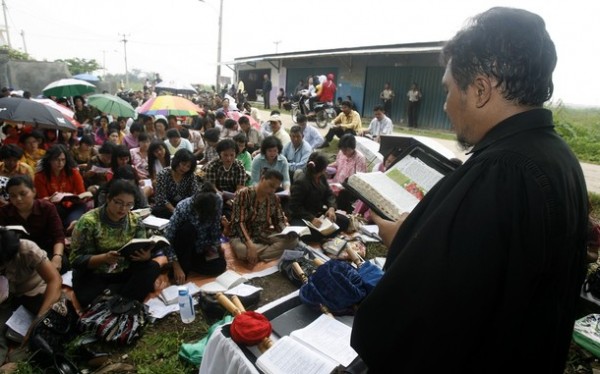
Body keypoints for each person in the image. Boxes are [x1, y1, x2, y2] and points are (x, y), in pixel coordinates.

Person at [351, 8, 589, 373]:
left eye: (447, 89)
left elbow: (430, 312)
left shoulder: (500, 172)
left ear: (479, 90)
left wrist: (403, 239)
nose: (445, 105)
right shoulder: (558, 157)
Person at [69, 180, 162, 308]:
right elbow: (75, 260)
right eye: (118, 203)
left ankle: (114, 298)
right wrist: (103, 258)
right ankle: (121, 299)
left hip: (123, 269)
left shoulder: (135, 220)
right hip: (95, 274)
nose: (123, 209)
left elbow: (141, 247)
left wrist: (145, 256)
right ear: (108, 199)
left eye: (129, 205)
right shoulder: (88, 222)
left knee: (152, 267)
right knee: (87, 296)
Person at [0, 227, 62, 366]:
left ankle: (21, 358)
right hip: (6, 301)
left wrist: (39, 319)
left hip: (35, 292)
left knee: (51, 321)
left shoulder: (27, 249)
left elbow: (54, 280)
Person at [230, 169, 298, 267]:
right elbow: (239, 222)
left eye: (275, 188)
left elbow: (279, 219)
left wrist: (286, 230)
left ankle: (255, 255)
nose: (272, 190)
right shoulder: (243, 194)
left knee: (293, 241)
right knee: (242, 251)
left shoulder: (274, 198)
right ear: (262, 179)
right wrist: (250, 244)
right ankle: (259, 252)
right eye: (271, 185)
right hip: (240, 235)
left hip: (262, 232)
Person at [0, 175, 69, 274]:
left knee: (62, 264)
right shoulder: (4, 212)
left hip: (45, 249)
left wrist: (57, 257)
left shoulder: (47, 208)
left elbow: (58, 235)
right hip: (19, 252)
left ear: (34, 191)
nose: (18, 199)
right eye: (13, 196)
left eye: (23, 193)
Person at [163, 183, 226, 284]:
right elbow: (167, 238)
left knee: (219, 266)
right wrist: (176, 266)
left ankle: (190, 264)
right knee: (188, 229)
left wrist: (215, 248)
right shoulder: (183, 207)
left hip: (202, 246)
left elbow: (215, 228)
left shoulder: (217, 201)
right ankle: (182, 263)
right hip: (185, 246)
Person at [288, 152, 349, 243]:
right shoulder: (302, 181)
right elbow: (294, 206)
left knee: (344, 221)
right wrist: (311, 218)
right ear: (322, 169)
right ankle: (324, 236)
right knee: (305, 234)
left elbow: (329, 194)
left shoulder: (322, 177)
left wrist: (331, 208)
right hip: (303, 216)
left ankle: (325, 235)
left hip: (319, 212)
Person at [33, 144, 89, 231]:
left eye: (63, 160)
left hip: (74, 205)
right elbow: (41, 199)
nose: (60, 163)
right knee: (54, 216)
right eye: (56, 160)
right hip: (53, 207)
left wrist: (82, 197)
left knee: (73, 219)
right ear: (49, 160)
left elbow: (81, 193)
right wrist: (50, 199)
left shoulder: (73, 172)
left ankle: (70, 226)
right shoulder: (40, 176)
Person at [152, 148, 199, 219]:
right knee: (158, 210)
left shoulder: (190, 175)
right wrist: (175, 211)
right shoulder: (163, 174)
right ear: (176, 161)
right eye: (183, 164)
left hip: (184, 204)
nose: (184, 168)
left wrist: (184, 208)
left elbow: (194, 194)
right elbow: (161, 197)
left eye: (188, 166)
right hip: (167, 206)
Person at [327, 134, 366, 212]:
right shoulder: (341, 153)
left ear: (353, 147)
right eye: (342, 149)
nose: (344, 152)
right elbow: (337, 163)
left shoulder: (360, 158)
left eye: (346, 150)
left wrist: (345, 185)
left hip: (347, 188)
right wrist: (326, 166)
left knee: (340, 195)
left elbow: (360, 178)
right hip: (336, 181)